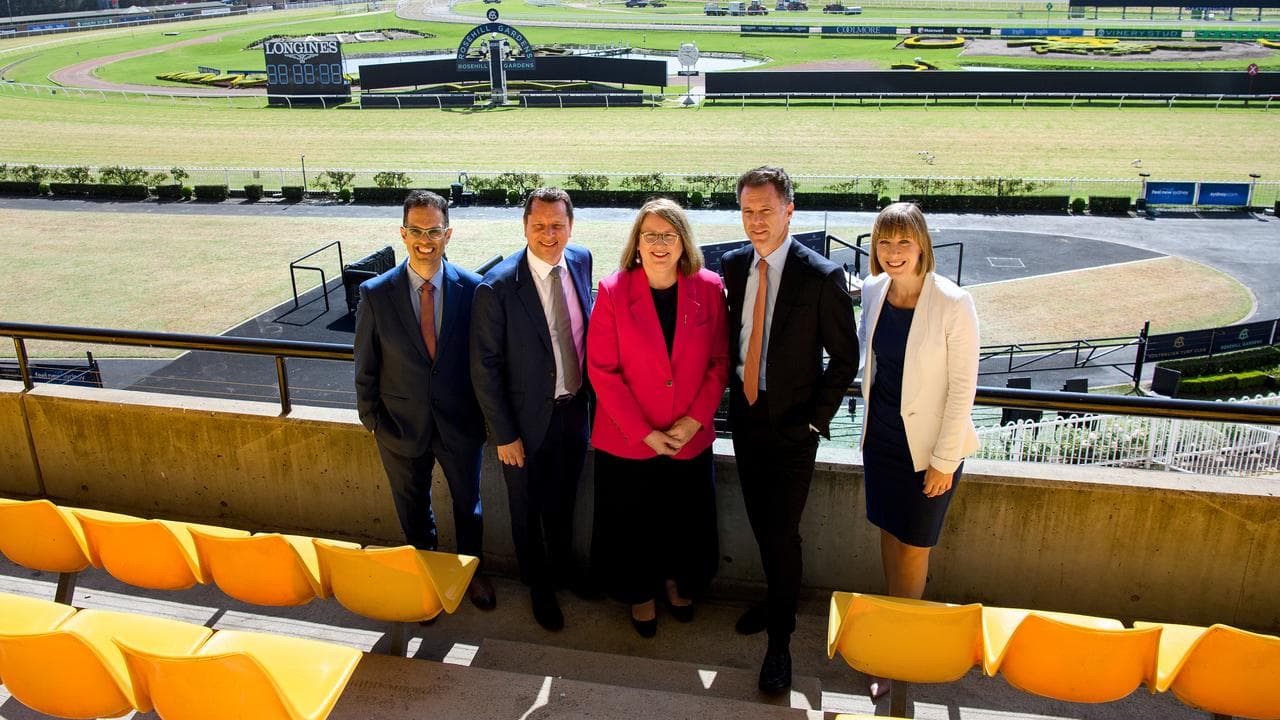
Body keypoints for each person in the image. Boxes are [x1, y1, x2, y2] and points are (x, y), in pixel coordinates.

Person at [722, 166, 859, 693]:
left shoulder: (821, 276)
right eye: (748, 211)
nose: (756, 221)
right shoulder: (734, 266)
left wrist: (812, 421)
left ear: (789, 211)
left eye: (766, 210)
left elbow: (845, 359)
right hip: (747, 422)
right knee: (762, 526)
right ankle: (776, 598)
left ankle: (780, 643)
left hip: (792, 432)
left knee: (782, 533)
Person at [586, 198, 728, 639]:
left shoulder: (709, 288)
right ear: (637, 243)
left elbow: (720, 362)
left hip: (689, 436)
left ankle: (678, 583)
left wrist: (693, 422)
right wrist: (644, 433)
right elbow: (602, 371)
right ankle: (639, 592)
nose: (659, 244)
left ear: (684, 243)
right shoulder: (611, 291)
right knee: (632, 522)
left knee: (684, 518)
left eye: (669, 235)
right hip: (628, 440)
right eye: (650, 236)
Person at [858, 202, 979, 699]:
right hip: (882, 442)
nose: (892, 253)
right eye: (884, 243)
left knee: (913, 551)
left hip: (930, 454)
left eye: (903, 242)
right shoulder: (872, 291)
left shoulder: (953, 303)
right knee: (889, 537)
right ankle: (894, 627)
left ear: (922, 245)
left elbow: (962, 388)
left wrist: (945, 462)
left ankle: (897, 653)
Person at [353, 189, 495, 612]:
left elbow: (484, 361)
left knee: (468, 508)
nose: (425, 240)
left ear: (448, 234)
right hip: (399, 427)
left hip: (460, 425)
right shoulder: (376, 295)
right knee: (414, 512)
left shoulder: (473, 289)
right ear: (402, 233)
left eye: (434, 231)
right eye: (416, 230)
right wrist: (373, 421)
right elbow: (365, 364)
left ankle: (472, 574)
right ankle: (428, 580)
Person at [471, 187, 594, 632]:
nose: (549, 234)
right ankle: (538, 586)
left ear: (571, 226)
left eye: (557, 225)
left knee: (564, 501)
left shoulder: (581, 259)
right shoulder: (499, 286)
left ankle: (562, 569)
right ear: (524, 227)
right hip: (523, 424)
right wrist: (504, 434)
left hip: (574, 412)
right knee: (525, 509)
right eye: (539, 225)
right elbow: (485, 369)